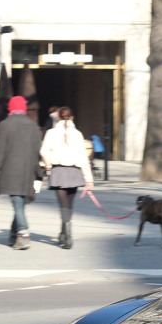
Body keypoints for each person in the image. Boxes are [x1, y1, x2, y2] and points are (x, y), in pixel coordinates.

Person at [0, 95, 44, 250]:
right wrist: (39, 174)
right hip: (28, 171)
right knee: (20, 202)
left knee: (17, 203)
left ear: (10, 108)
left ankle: (24, 234)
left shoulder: (5, 125)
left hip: (10, 172)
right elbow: (36, 152)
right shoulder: (33, 126)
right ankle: (13, 235)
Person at [39, 106, 94, 249]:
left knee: (63, 205)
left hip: (58, 171)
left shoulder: (51, 133)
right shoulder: (78, 134)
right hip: (74, 171)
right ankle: (65, 233)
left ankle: (66, 234)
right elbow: (83, 157)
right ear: (72, 118)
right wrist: (89, 179)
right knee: (69, 205)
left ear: (58, 118)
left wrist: (49, 164)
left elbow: (44, 151)